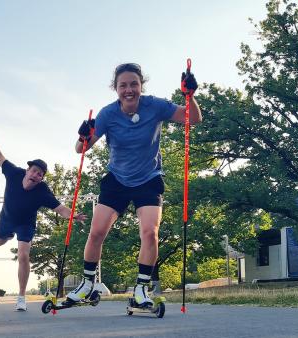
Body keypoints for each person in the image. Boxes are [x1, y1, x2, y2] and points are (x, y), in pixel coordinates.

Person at [66, 63, 202, 307]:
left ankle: (141, 290)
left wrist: (189, 96)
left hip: (149, 178)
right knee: (97, 231)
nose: (129, 90)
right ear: (116, 89)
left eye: (133, 84)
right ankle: (87, 285)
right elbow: (81, 149)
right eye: (123, 85)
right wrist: (82, 135)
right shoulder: (108, 114)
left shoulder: (155, 105)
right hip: (117, 179)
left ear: (141, 86)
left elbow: (193, 119)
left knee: (150, 232)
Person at [0, 116, 87, 311]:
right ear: (27, 170)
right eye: (34, 171)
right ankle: (7, 235)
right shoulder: (13, 172)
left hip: (26, 224)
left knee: (24, 255)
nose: (36, 175)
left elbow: (60, 209)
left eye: (40, 174)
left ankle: (21, 297)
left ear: (41, 179)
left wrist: (73, 215)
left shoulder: (43, 191)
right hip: (6, 219)